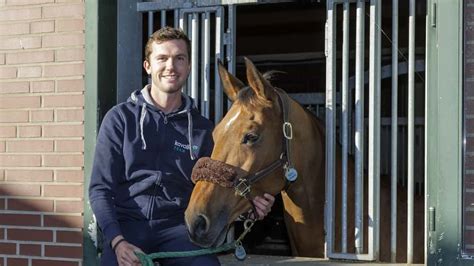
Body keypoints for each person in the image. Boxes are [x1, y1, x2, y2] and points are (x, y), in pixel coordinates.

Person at [89, 26, 275, 266]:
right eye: (162, 58)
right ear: (148, 66)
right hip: (127, 229)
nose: (170, 66)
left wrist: (250, 208)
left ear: (188, 67)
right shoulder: (120, 119)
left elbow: (218, 190)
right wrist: (117, 241)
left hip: (177, 230)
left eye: (179, 58)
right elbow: (99, 189)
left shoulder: (204, 130)